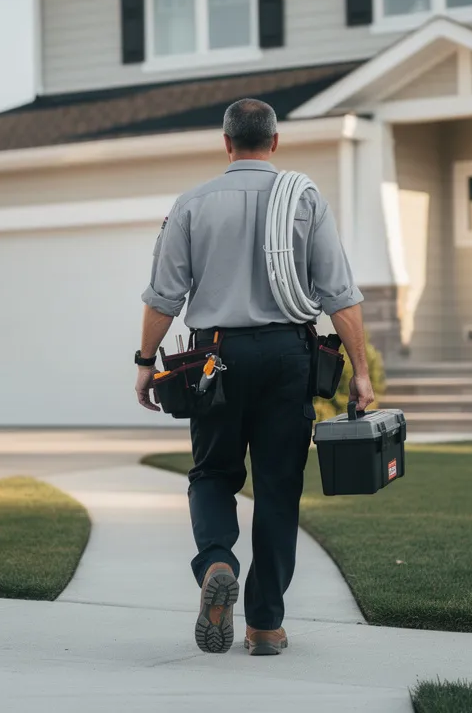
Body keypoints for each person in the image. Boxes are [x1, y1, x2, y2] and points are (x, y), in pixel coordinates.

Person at [133, 98, 374, 657]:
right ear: (274, 141)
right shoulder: (306, 200)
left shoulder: (192, 205)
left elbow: (162, 298)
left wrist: (146, 364)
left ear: (226, 143)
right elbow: (341, 296)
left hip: (215, 359)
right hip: (290, 358)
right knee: (277, 489)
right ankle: (265, 625)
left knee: (213, 473)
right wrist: (361, 373)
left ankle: (218, 560)